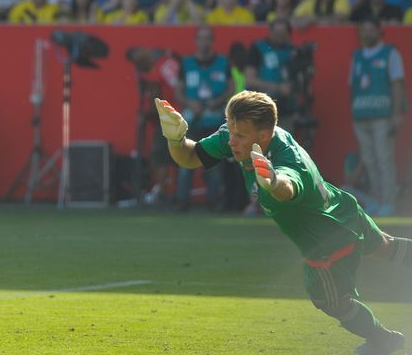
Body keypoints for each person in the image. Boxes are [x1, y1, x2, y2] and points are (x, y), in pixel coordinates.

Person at [155, 90, 409, 355]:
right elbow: (190, 157)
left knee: (331, 301)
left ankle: (383, 340)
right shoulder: (241, 134)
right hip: (344, 209)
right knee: (386, 246)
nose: (231, 141)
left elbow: (289, 186)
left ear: (263, 135)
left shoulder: (287, 160)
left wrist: (273, 181)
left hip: (326, 239)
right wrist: (176, 139)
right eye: (229, 130)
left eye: (239, 135)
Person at [172, 25, 234, 211]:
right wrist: (190, 104)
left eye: (208, 38)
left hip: (215, 119)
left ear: (212, 41)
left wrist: (220, 100)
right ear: (196, 40)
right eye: (201, 38)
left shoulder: (223, 62)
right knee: (185, 162)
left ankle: (214, 203)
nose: (204, 42)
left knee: (214, 164)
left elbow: (231, 87)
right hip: (192, 119)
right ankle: (182, 202)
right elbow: (178, 91)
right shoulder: (186, 63)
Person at [349, 18, 406, 216]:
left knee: (384, 158)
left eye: (371, 29)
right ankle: (375, 199)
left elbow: (397, 83)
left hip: (383, 114)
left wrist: (397, 113)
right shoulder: (356, 56)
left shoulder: (390, 53)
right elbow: (353, 86)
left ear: (379, 32)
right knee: (369, 159)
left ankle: (388, 201)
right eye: (363, 29)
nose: (367, 33)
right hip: (362, 114)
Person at [244, 19, 296, 131]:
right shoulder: (258, 48)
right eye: (276, 33)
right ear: (270, 32)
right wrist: (278, 87)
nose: (279, 37)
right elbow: (249, 79)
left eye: (283, 34)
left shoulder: (292, 50)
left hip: (285, 106)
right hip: (261, 105)